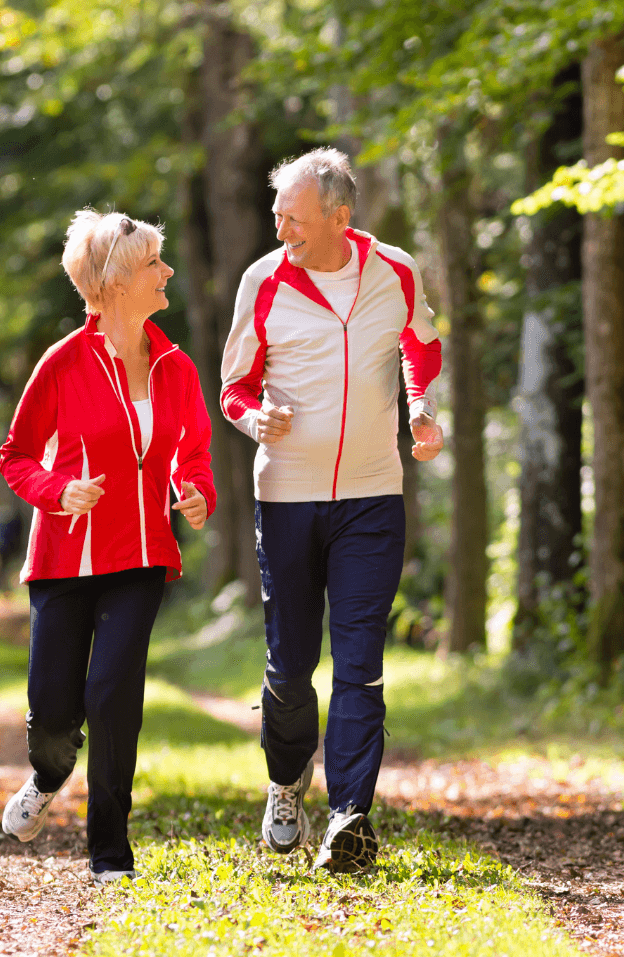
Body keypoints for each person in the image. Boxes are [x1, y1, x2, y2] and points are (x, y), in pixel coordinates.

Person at [220, 148, 443, 873]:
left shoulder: (395, 271)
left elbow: (422, 345)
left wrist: (422, 408)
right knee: (290, 667)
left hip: (373, 495)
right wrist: (257, 420)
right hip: (286, 495)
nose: (280, 226)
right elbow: (233, 389)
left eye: (294, 216)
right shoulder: (263, 281)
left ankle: (350, 814)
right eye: (277, 212)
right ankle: (287, 783)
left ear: (339, 217)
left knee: (360, 661)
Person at [0, 210, 216, 884]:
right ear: (118, 281)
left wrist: (195, 491)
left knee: (114, 694)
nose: (167, 272)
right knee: (55, 720)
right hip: (65, 559)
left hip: (142, 553)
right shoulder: (62, 363)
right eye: (155, 263)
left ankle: (109, 855)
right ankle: (47, 775)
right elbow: (17, 455)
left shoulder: (175, 365)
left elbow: (194, 451)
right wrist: (57, 490)